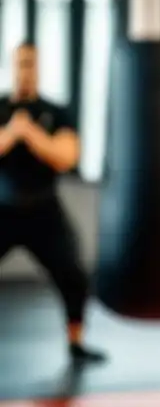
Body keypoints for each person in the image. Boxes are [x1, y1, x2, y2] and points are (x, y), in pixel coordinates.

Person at [0, 42, 106, 364]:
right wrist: (11, 133)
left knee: (74, 274)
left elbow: (66, 156)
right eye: (21, 64)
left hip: (44, 210)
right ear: (12, 66)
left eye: (31, 64)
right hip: (3, 208)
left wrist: (29, 133)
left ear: (39, 67)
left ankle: (76, 343)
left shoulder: (56, 112)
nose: (25, 70)